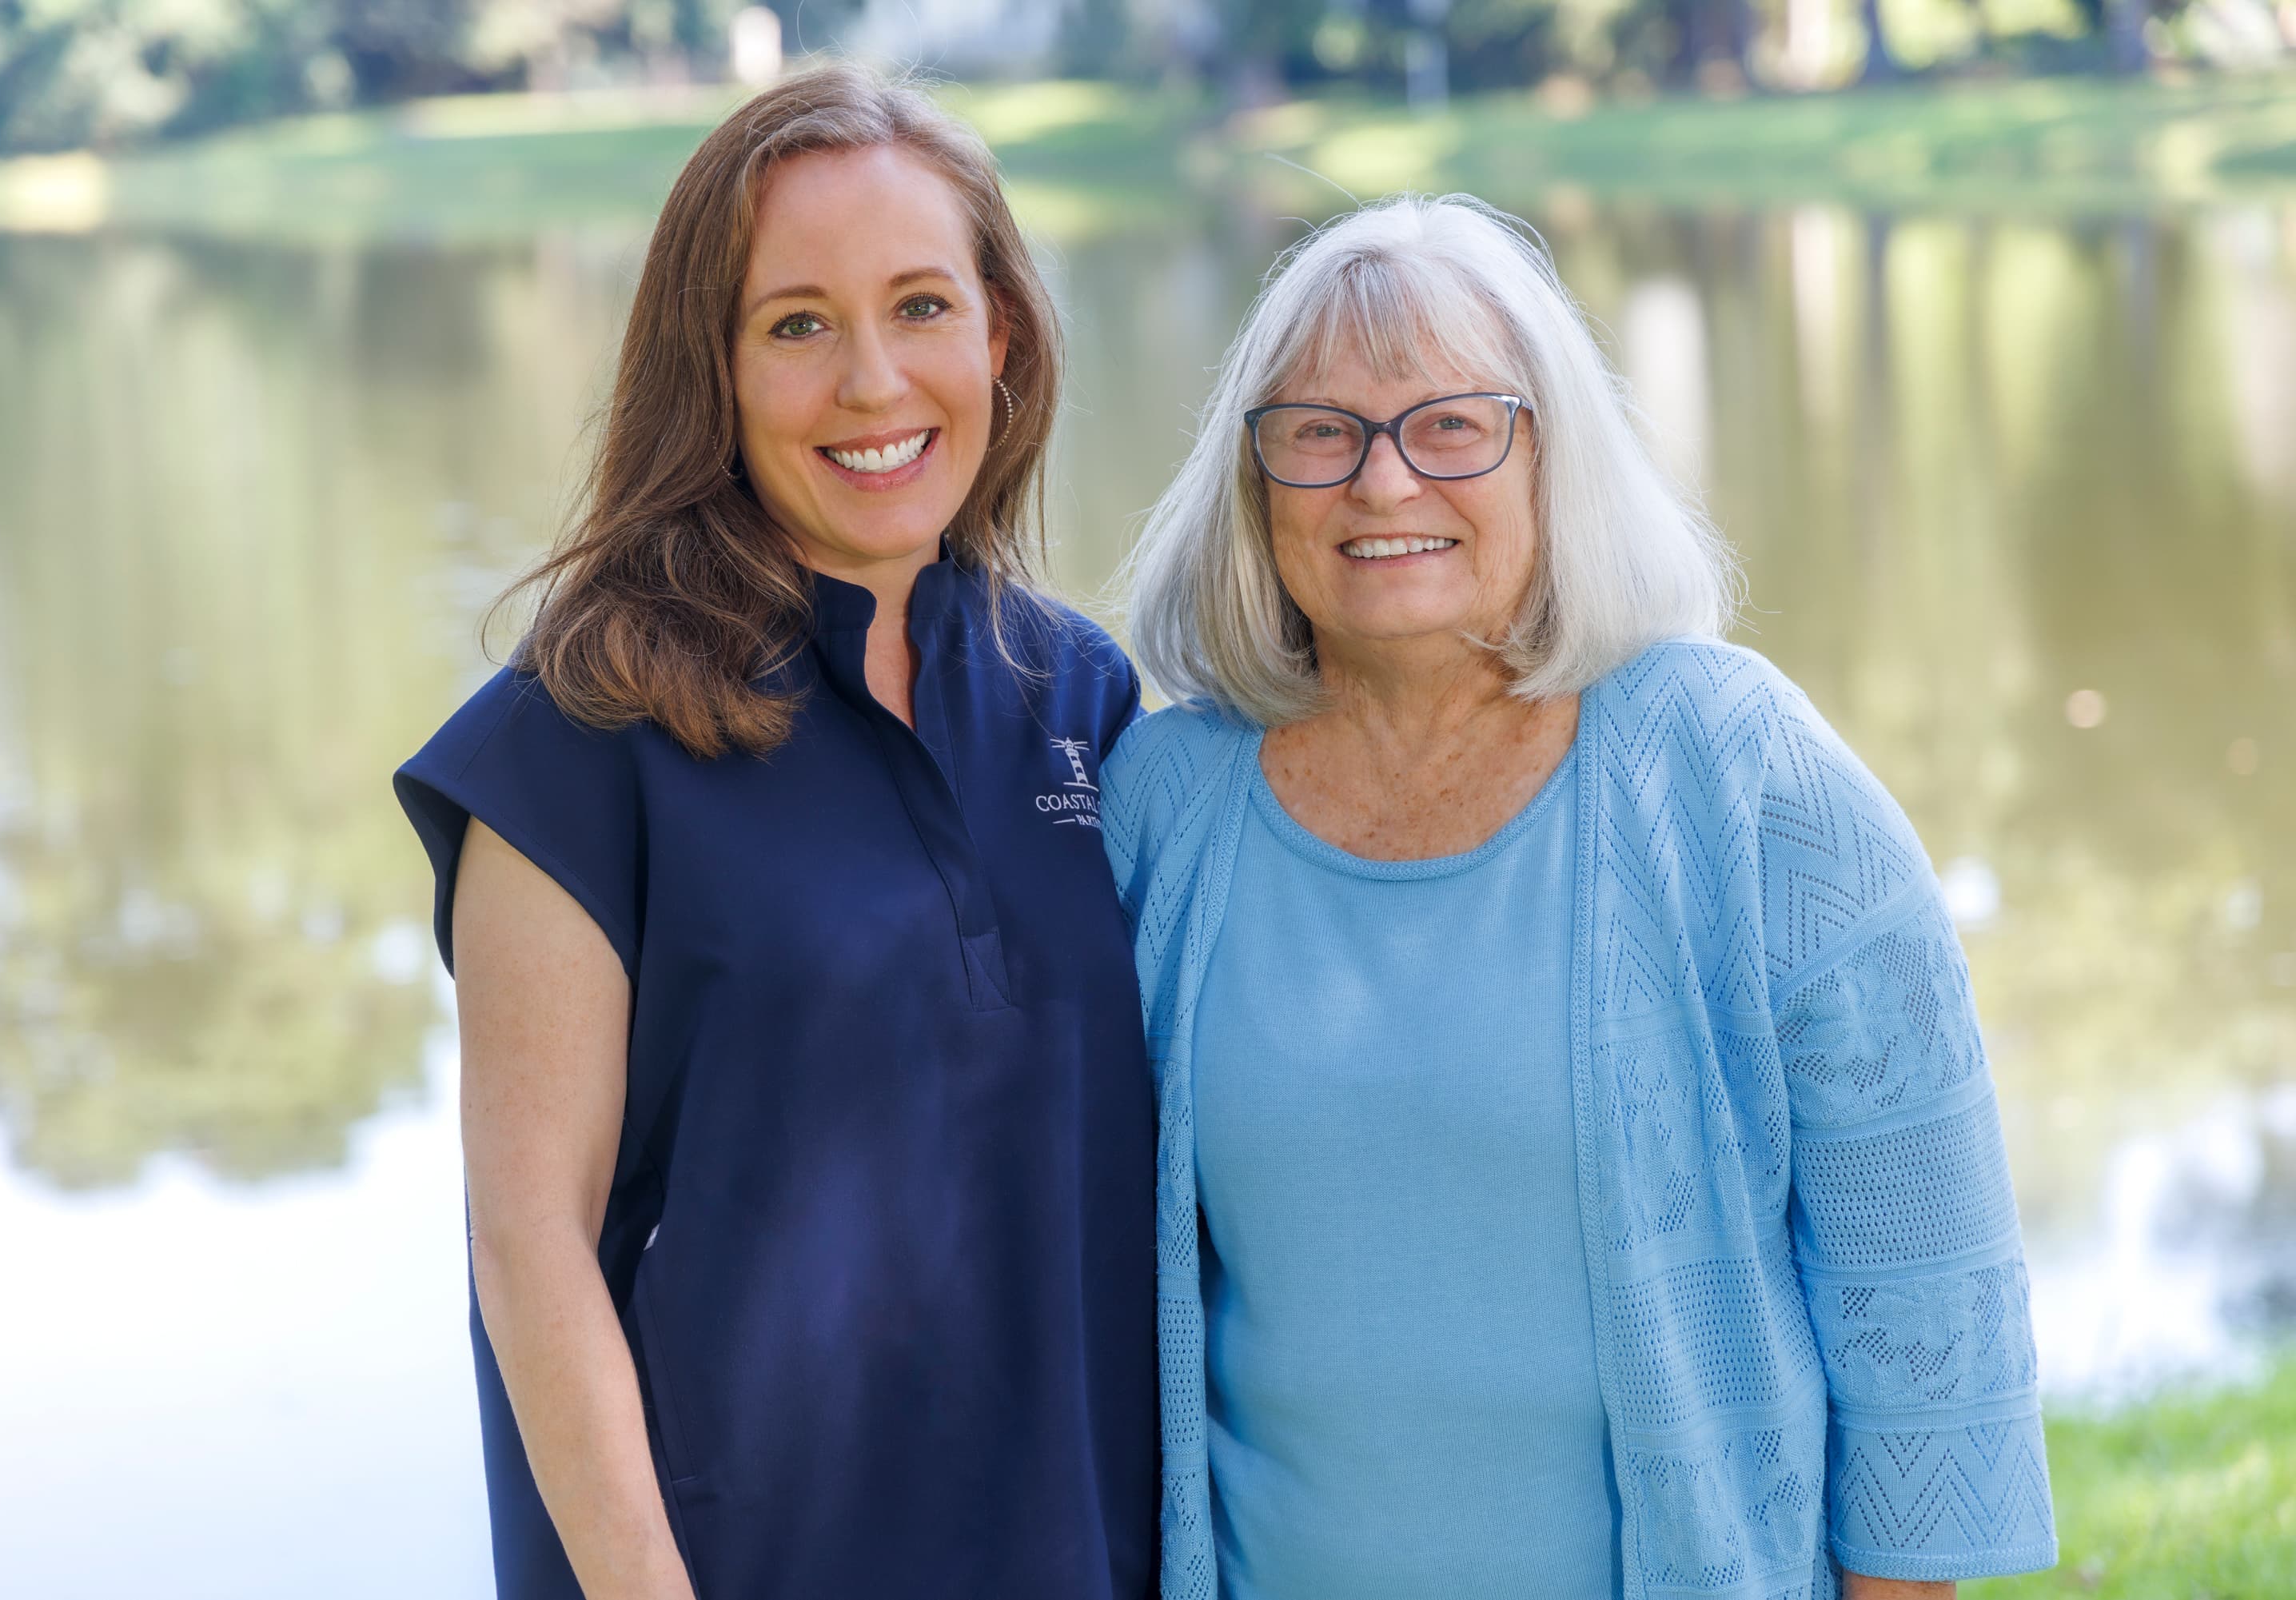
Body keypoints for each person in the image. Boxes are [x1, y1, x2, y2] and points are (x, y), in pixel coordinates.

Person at [1102, 194, 2057, 1600]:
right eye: (1321, 432)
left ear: (1556, 455)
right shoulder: (1161, 807)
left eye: (1453, 424)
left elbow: (1926, 1291)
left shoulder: (1741, 774)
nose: (1382, 483)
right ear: (1254, 482)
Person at [394, 65, 1155, 1600]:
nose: (874, 381)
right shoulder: (574, 740)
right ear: (714, 368)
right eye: (797, 324)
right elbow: (531, 1257)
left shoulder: (1083, 693)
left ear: (1001, 336)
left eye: (923, 305)